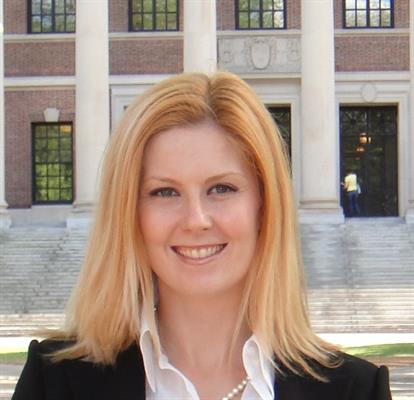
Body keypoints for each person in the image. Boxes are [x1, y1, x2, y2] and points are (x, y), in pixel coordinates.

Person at [12, 72, 391, 400]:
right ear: (130, 213)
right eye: (165, 192)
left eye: (221, 189)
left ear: (264, 206)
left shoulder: (354, 390)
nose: (196, 220)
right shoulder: (55, 383)